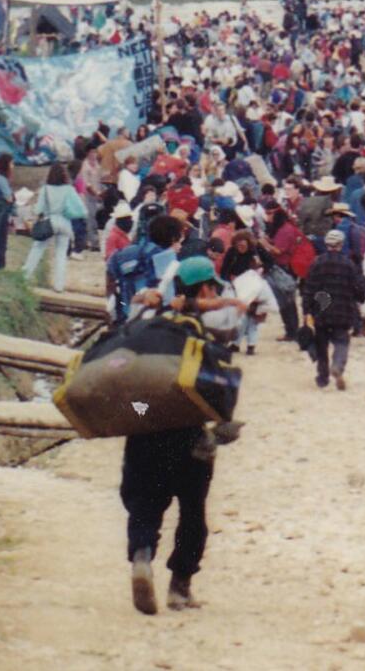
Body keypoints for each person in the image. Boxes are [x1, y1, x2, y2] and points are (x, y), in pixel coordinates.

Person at [124, 256, 247, 616]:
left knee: (145, 503)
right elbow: (221, 385)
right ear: (206, 287)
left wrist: (140, 415)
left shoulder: (147, 321)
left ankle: (142, 558)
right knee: (192, 513)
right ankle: (180, 588)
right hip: (189, 435)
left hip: (145, 426)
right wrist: (223, 426)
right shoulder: (201, 336)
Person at [300, 230, 363, 390]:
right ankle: (338, 366)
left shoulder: (317, 263)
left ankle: (323, 377)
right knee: (342, 341)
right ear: (341, 245)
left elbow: (309, 289)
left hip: (322, 311)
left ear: (326, 244)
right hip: (343, 311)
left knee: (322, 345)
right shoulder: (349, 264)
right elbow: (358, 289)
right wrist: (359, 298)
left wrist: (306, 310)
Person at [23, 163, 83, 292]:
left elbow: (39, 209)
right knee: (61, 254)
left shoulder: (46, 189)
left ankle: (24, 277)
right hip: (65, 223)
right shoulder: (69, 189)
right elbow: (81, 208)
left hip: (50, 222)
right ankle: (59, 285)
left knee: (37, 248)